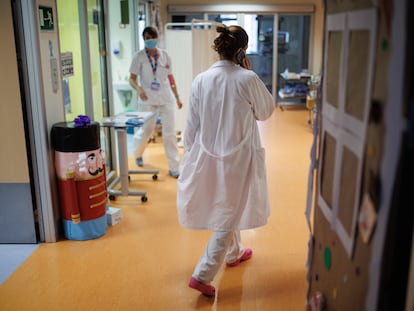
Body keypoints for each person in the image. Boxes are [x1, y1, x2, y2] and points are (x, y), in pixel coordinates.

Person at [177, 24, 275, 297]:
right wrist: (249, 71)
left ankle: (234, 253)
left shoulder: (201, 80)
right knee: (229, 212)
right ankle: (203, 273)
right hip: (238, 158)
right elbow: (266, 111)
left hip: (207, 156)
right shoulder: (247, 79)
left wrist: (190, 159)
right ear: (242, 51)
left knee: (228, 205)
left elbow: (191, 128)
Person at [129, 26, 182, 178]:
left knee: (170, 133)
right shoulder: (138, 57)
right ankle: (138, 153)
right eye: (146, 38)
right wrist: (139, 89)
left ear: (157, 38)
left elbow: (170, 78)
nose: (149, 40)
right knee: (147, 130)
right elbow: (131, 79)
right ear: (143, 39)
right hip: (147, 98)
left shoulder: (164, 55)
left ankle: (174, 167)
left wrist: (177, 97)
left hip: (166, 98)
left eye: (152, 37)